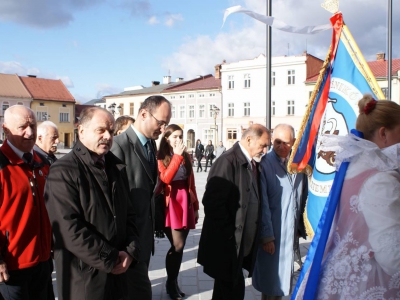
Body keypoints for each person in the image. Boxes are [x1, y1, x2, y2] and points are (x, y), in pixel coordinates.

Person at [294, 94, 400, 299]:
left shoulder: (354, 167)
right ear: (384, 133)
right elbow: (392, 255)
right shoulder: (380, 180)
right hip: (370, 285)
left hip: (345, 281)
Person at [44, 107, 140, 300]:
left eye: (111, 131)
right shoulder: (63, 171)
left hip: (118, 276)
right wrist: (110, 257)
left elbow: (129, 215)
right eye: (101, 130)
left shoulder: (116, 167)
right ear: (81, 131)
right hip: (83, 279)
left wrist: (130, 251)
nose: (107, 136)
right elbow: (68, 229)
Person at [198, 124, 271, 300]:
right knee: (230, 291)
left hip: (239, 245)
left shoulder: (252, 163)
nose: (265, 150)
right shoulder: (227, 161)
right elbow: (213, 204)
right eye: (263, 145)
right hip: (229, 246)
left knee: (229, 291)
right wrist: (230, 237)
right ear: (249, 140)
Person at [111, 95, 172, 299]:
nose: (163, 129)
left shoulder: (150, 145)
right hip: (128, 243)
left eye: (166, 124)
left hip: (144, 238)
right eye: (161, 123)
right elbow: (115, 201)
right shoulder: (118, 146)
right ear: (144, 114)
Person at [0, 105, 52, 299]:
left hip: (43, 261)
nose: (30, 132)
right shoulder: (2, 165)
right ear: (6, 129)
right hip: (12, 268)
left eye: (33, 125)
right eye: (22, 126)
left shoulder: (43, 162)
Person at [252, 124, 308, 300]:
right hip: (273, 234)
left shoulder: (297, 165)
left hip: (289, 234)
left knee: (283, 282)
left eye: (286, 143)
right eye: (277, 142)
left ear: (293, 142)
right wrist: (266, 236)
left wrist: (300, 226)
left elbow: (302, 196)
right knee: (271, 283)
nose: (282, 146)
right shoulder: (264, 165)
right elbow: (263, 205)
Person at [157, 124, 200, 300]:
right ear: (167, 138)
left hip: (185, 201)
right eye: (174, 136)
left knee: (180, 247)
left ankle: (173, 282)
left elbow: (192, 182)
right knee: (177, 245)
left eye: (180, 136)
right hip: (170, 202)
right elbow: (165, 178)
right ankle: (170, 282)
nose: (178, 139)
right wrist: (176, 155)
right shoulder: (161, 157)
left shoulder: (185, 156)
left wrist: (196, 207)